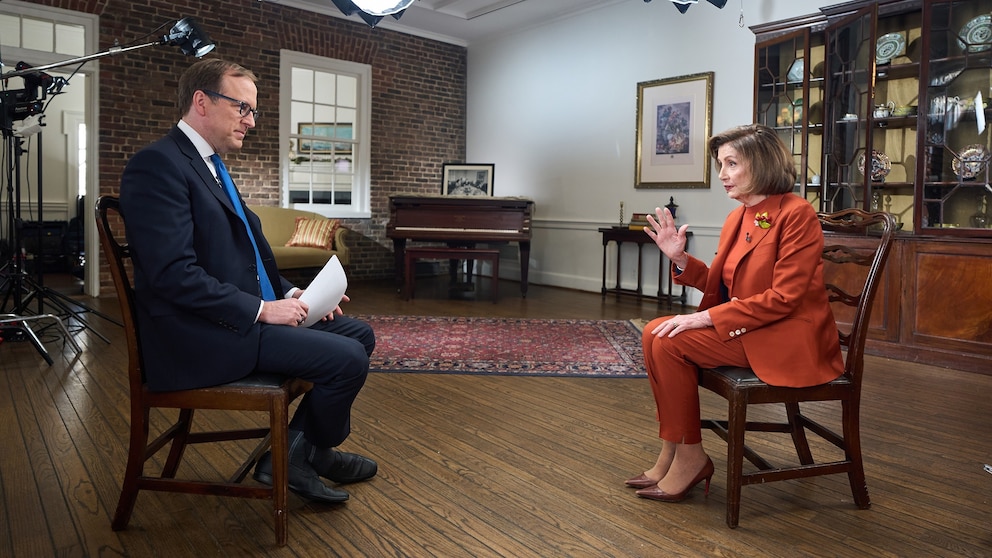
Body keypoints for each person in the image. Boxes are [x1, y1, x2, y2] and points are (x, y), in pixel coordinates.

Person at [119, 58, 377, 504]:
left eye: (252, 111)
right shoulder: (157, 165)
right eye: (243, 108)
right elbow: (171, 275)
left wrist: (292, 293)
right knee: (347, 359)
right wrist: (261, 309)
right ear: (201, 101)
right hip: (202, 335)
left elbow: (248, 257)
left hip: (234, 321)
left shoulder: (212, 165)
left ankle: (307, 451)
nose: (251, 121)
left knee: (358, 332)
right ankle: (301, 456)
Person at [627, 124, 843, 502]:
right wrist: (679, 258)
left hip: (786, 335)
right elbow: (723, 287)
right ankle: (675, 450)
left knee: (668, 342)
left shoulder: (797, 213)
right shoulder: (738, 217)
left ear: (760, 164)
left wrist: (704, 318)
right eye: (719, 164)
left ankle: (688, 455)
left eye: (731, 163)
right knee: (655, 332)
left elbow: (785, 298)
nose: (722, 174)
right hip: (751, 326)